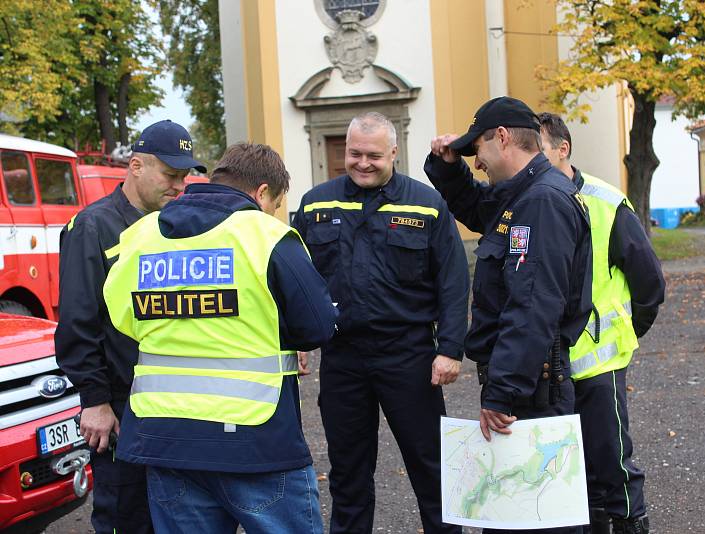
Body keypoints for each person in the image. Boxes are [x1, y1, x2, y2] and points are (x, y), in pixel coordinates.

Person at [102, 142, 338, 533]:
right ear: (263, 193)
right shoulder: (265, 234)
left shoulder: (141, 236)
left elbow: (123, 317)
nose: (274, 212)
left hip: (165, 436)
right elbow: (316, 326)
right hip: (254, 440)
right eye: (276, 203)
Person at [293, 112, 469, 534]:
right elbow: (296, 278)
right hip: (343, 358)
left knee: (431, 467)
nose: (362, 163)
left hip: (408, 355)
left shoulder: (425, 204)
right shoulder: (316, 203)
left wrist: (449, 349)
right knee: (348, 474)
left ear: (394, 152)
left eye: (373, 155)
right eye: (354, 153)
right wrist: (296, 337)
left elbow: (453, 280)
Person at [426, 96, 593, 534]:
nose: (476, 161)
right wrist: (448, 168)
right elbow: (482, 211)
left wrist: (502, 392)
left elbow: (533, 307)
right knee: (514, 514)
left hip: (530, 390)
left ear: (501, 138)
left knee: (535, 517)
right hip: (524, 383)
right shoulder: (522, 196)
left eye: (476, 149)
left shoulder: (542, 202)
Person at [55, 120, 204, 534]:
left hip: (166, 400)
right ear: (135, 165)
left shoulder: (172, 226)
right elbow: (77, 323)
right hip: (119, 405)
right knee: (124, 514)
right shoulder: (93, 226)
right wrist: (95, 400)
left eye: (185, 175)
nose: (179, 185)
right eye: (170, 174)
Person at [538, 112, 664, 534]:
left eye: (538, 152)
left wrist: (621, 332)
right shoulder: (527, 201)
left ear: (562, 149)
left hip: (597, 363)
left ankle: (630, 524)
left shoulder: (605, 202)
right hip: (544, 366)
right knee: (559, 468)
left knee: (612, 465)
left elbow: (649, 284)